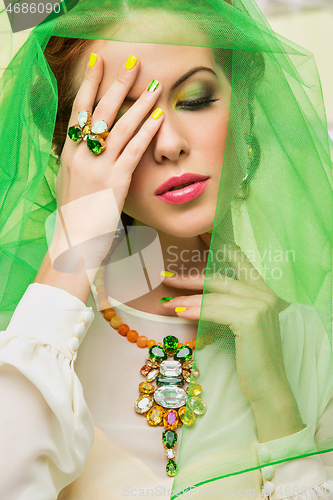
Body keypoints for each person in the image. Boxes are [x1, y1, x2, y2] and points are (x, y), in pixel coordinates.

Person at [0, 0, 332, 499]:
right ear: (65, 149)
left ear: (240, 107)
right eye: (127, 116)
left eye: (195, 99)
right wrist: (73, 248)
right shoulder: (28, 342)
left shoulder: (307, 342)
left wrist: (276, 403)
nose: (169, 143)